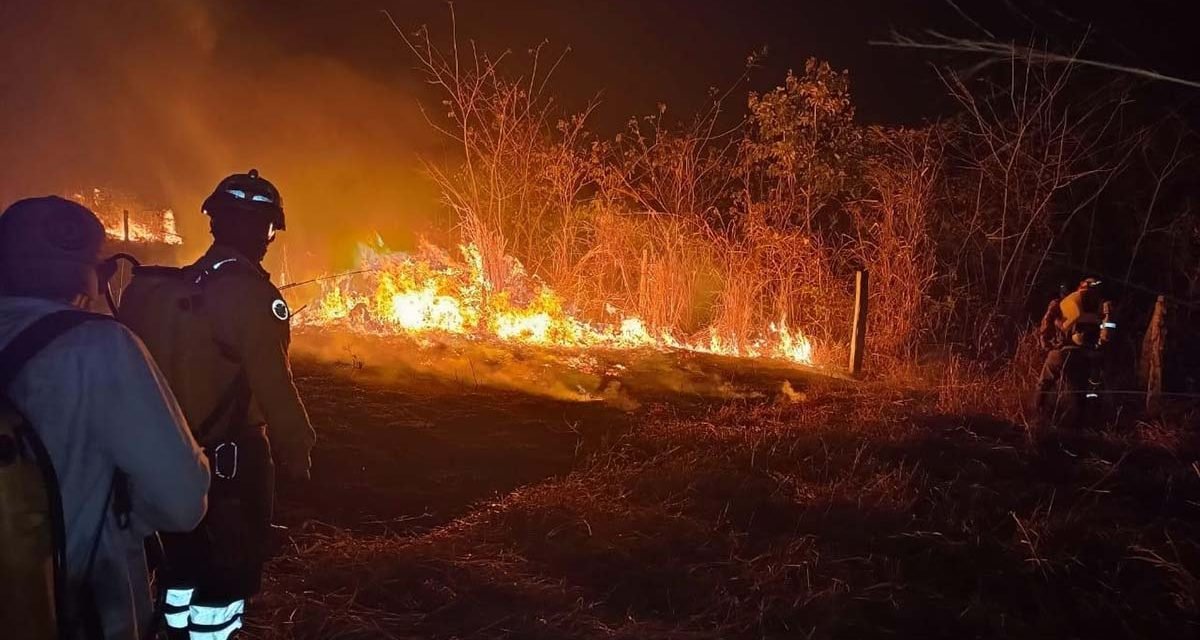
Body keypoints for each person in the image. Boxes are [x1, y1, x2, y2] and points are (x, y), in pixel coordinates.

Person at [0, 196, 210, 639]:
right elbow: (182, 501)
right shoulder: (101, 348)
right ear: (99, 274)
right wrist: (128, 515)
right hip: (77, 613)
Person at [119, 170, 315, 640]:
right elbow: (274, 385)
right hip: (231, 459)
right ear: (267, 230)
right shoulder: (251, 295)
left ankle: (169, 632)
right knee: (228, 571)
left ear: (213, 223)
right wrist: (297, 448)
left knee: (179, 562)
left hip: (164, 453)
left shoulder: (165, 288)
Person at [1034, 278, 1114, 419]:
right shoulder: (1100, 306)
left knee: (1044, 384)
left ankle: (1036, 414)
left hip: (1059, 352)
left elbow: (1045, 326)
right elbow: (1107, 331)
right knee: (1082, 391)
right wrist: (1099, 346)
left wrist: (1045, 344)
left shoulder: (1064, 304)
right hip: (1084, 355)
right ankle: (1081, 424)